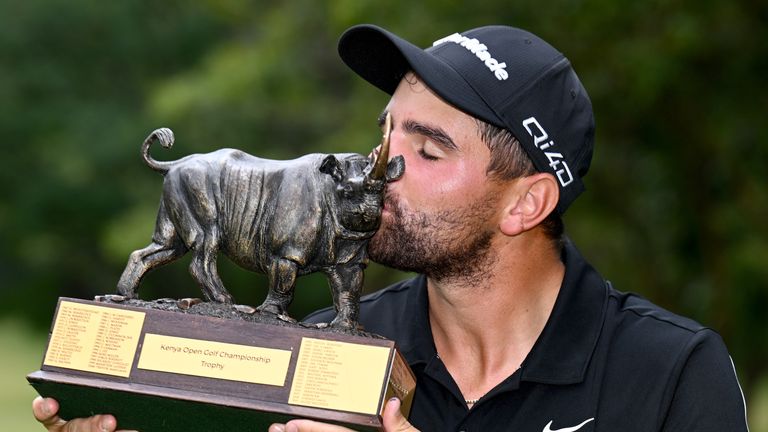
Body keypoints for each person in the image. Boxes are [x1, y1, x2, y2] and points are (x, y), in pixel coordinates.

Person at [33, 24, 748, 432]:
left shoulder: (672, 377)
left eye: (428, 149)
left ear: (525, 205)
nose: (380, 164)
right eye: (387, 132)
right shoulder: (326, 345)